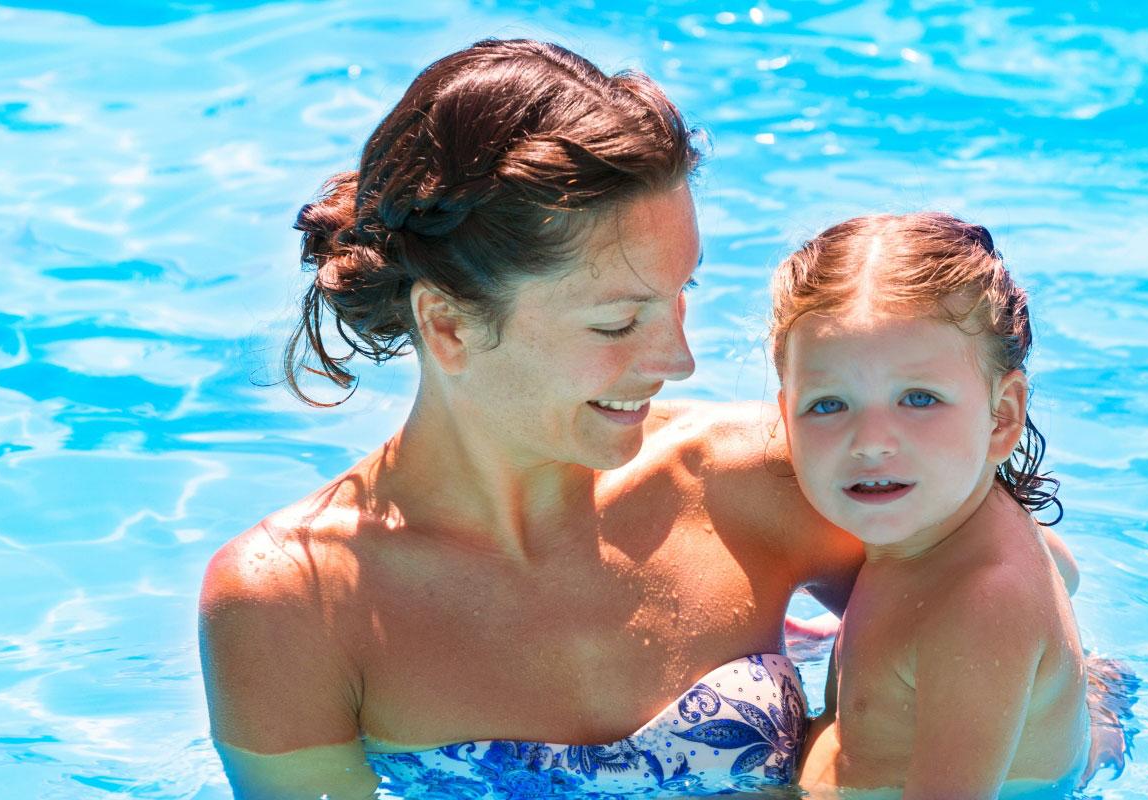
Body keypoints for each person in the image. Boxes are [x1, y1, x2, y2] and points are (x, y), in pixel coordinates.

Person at [198, 39, 871, 798]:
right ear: (448, 327)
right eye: (618, 323)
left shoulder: (766, 477)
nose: (679, 359)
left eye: (681, 293)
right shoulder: (296, 605)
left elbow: (1011, 609)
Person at [772, 213, 1090, 798]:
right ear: (784, 417)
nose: (870, 440)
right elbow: (1060, 569)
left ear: (1002, 416)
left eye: (918, 399)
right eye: (827, 404)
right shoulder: (955, 521)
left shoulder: (980, 611)